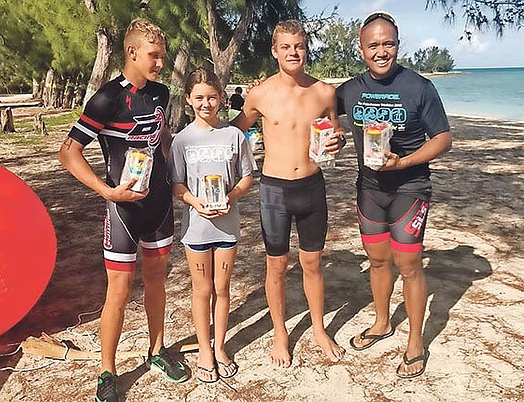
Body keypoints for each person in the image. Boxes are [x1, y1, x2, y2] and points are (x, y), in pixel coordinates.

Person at [58, 18, 188, 402]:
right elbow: (68, 152)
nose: (160, 64)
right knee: (118, 290)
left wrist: (180, 170)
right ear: (131, 53)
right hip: (123, 213)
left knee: (157, 280)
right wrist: (107, 192)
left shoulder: (162, 93)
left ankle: (157, 351)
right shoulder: (106, 99)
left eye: (162, 57)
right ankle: (107, 370)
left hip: (160, 205)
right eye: (154, 56)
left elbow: (161, 137)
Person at [336, 11, 452, 379]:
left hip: (410, 188)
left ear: (398, 45)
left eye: (388, 44)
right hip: (369, 190)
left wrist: (404, 163)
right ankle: (382, 323)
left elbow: (443, 139)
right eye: (374, 45)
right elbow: (318, 110)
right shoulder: (350, 90)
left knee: (409, 265)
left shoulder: (419, 87)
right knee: (378, 261)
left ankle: (415, 341)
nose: (381, 51)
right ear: (361, 48)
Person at [232, 19, 346, 368]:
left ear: (305, 48)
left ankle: (318, 329)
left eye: (298, 46)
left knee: (312, 262)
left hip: (312, 186)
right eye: (286, 47)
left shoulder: (325, 92)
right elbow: (236, 131)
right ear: (274, 51)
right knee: (277, 266)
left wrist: (338, 140)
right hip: (275, 190)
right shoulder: (260, 94)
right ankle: (281, 334)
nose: (293, 52)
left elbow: (334, 133)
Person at [168, 68, 255, 383]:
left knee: (222, 289)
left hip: (227, 228)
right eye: (200, 97)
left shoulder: (233, 135)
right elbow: (176, 184)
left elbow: (247, 176)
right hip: (197, 230)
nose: (207, 103)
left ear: (221, 98)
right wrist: (194, 201)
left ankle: (220, 347)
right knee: (202, 290)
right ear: (189, 99)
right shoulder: (182, 140)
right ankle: (204, 350)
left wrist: (231, 197)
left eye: (212, 97)